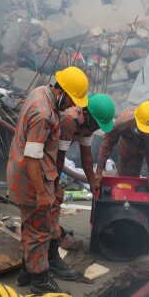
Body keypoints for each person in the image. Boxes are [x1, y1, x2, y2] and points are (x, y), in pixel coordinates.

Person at [6, 66, 88, 294]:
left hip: (28, 173)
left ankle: (25, 272)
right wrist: (42, 192)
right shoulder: (43, 114)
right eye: (72, 99)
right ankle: (40, 281)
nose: (73, 106)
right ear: (62, 91)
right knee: (40, 231)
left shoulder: (41, 91)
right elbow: (32, 158)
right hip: (31, 177)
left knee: (31, 226)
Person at [94, 100, 149, 251]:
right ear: (136, 122)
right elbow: (108, 142)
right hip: (130, 148)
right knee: (125, 187)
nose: (147, 133)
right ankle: (126, 223)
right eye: (144, 130)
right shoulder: (123, 122)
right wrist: (99, 170)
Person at [52, 93, 116, 261]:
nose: (97, 129)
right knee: (49, 198)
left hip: (54, 156)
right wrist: (55, 187)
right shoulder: (70, 119)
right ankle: (50, 245)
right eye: (97, 124)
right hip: (42, 156)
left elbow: (86, 157)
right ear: (88, 115)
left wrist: (93, 182)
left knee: (53, 199)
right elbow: (59, 158)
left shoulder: (88, 125)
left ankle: (53, 230)